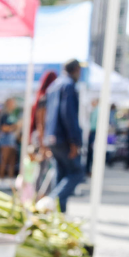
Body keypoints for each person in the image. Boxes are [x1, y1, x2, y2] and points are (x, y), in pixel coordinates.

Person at [44, 59, 85, 212]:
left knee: (61, 173)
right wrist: (74, 141)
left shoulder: (54, 86)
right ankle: (51, 200)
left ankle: (59, 214)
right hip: (63, 138)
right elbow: (68, 114)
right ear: (76, 69)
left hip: (52, 136)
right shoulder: (68, 85)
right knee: (77, 173)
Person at [0, 97, 21, 184]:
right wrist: (14, 126)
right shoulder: (4, 114)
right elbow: (3, 128)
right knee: (4, 160)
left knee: (12, 161)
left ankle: (10, 181)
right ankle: (1, 179)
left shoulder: (13, 115)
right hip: (5, 140)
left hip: (12, 140)